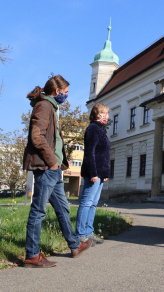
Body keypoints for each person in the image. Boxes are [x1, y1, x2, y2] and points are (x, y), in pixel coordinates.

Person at [23, 75, 92, 268]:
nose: (66, 96)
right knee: (38, 210)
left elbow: (53, 138)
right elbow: (37, 136)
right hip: (46, 167)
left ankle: (74, 244)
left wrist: (60, 160)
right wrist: (53, 161)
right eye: (66, 93)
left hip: (53, 169)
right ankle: (32, 255)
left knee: (63, 208)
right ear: (57, 92)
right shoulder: (45, 106)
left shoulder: (52, 106)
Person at [75, 103, 111, 245]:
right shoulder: (93, 129)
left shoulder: (100, 130)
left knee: (93, 204)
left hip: (100, 174)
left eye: (108, 114)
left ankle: (89, 233)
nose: (107, 116)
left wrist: (105, 172)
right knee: (86, 203)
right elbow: (90, 153)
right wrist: (94, 173)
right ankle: (80, 234)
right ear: (97, 114)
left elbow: (103, 154)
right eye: (105, 113)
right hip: (93, 173)